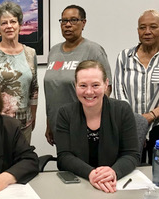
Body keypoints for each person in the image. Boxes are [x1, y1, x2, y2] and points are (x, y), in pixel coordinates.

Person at [113, 9, 159, 164]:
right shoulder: (124, 56)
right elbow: (119, 92)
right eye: (142, 27)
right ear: (137, 30)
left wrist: (151, 116)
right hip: (130, 124)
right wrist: (135, 121)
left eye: (153, 27)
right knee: (131, 169)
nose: (147, 32)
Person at [55, 60, 139, 193]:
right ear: (75, 85)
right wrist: (91, 174)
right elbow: (64, 157)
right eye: (83, 85)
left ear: (106, 84)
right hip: (79, 184)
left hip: (114, 185)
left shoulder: (122, 110)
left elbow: (132, 154)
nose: (89, 92)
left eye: (95, 85)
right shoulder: (65, 113)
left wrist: (113, 172)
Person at [44, 5, 112, 146]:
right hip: (58, 124)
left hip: (84, 125)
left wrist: (94, 123)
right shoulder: (54, 51)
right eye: (64, 21)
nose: (68, 25)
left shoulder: (93, 50)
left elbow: (106, 88)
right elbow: (52, 91)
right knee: (65, 163)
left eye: (73, 20)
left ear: (83, 23)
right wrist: (49, 123)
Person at [0, 0, 38, 144]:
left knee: (21, 163)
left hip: (25, 124)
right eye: (4, 23)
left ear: (20, 25)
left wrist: (33, 117)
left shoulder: (31, 53)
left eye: (13, 21)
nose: (9, 26)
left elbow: (34, 90)